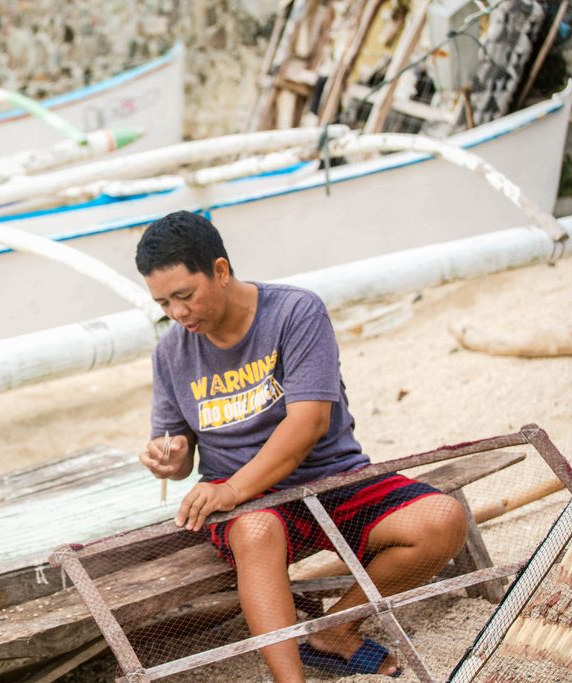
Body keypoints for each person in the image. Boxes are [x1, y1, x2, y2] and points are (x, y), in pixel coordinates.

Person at [135, 211, 467, 681]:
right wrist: (166, 459)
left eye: (185, 296)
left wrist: (230, 490)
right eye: (164, 303)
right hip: (253, 508)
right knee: (255, 532)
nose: (178, 313)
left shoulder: (295, 312)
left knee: (441, 521)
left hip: (333, 480)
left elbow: (308, 424)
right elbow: (178, 448)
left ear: (221, 270)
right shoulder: (170, 352)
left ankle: (334, 630)